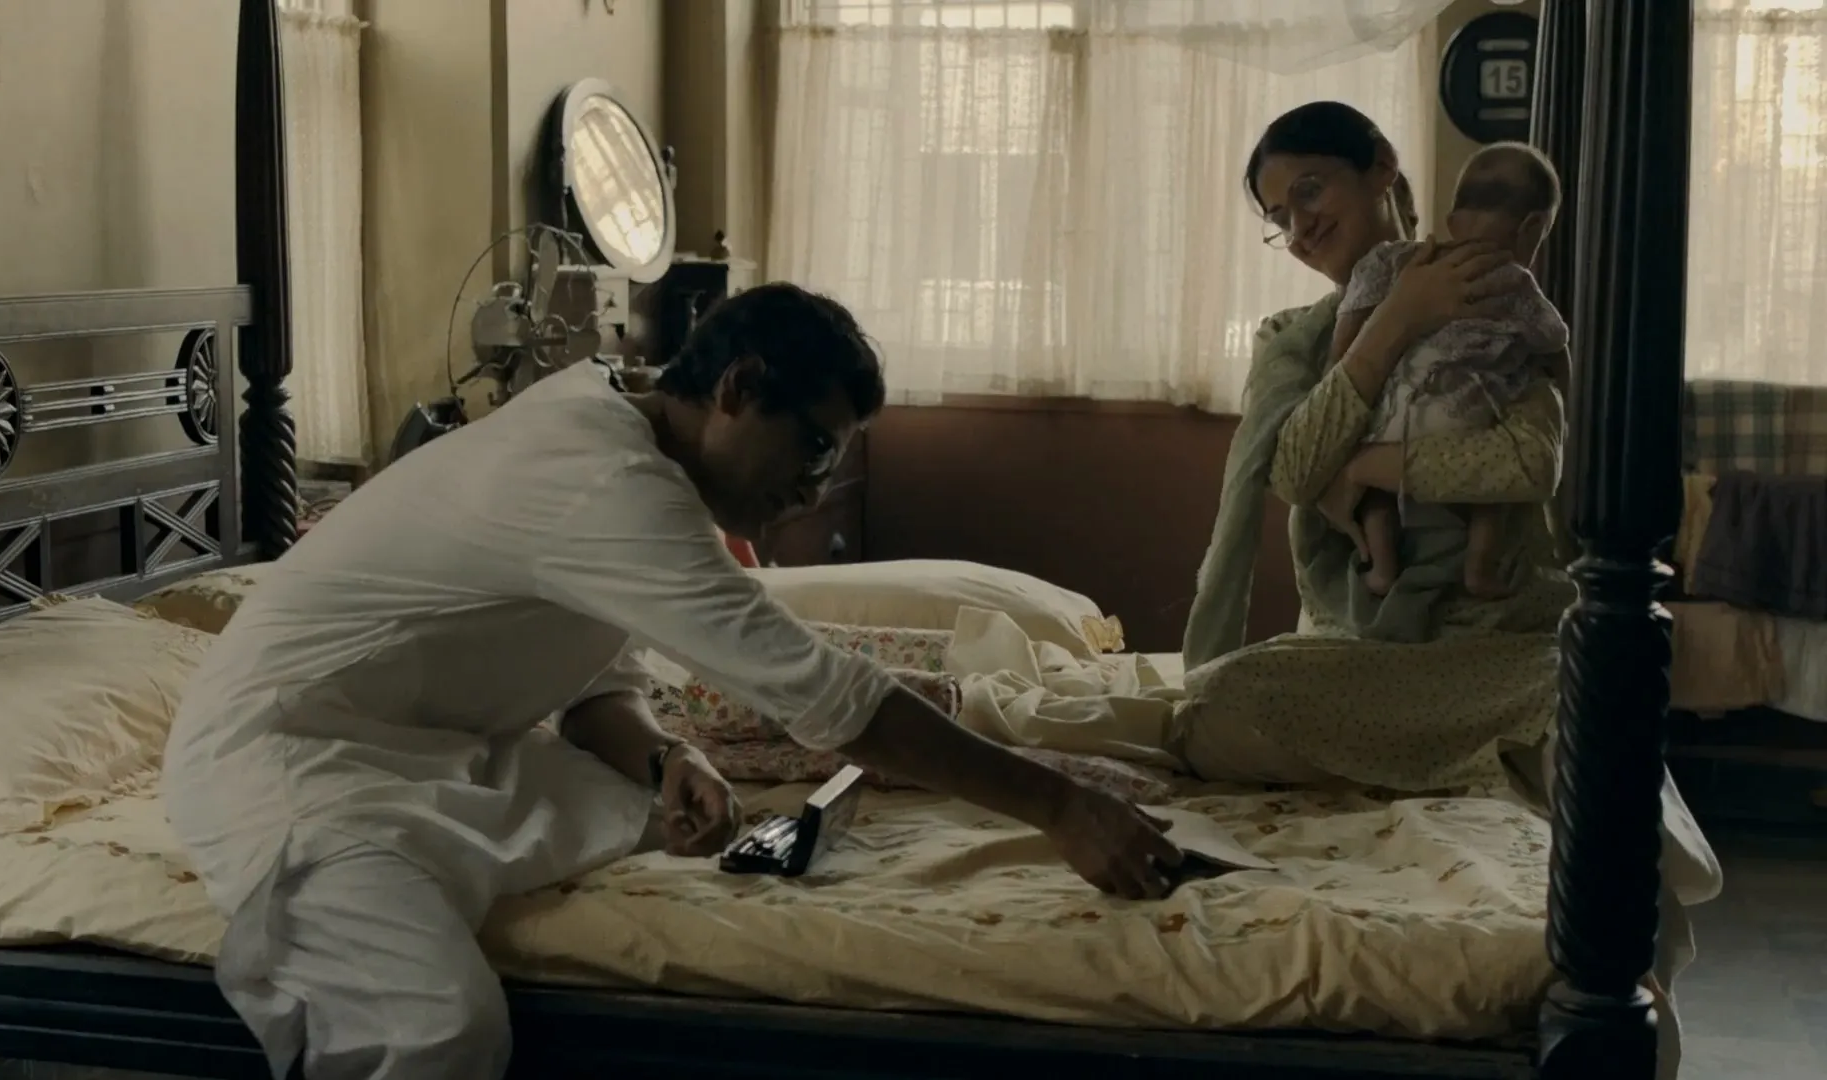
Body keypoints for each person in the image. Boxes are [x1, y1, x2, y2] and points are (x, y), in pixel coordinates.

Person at [162, 282, 1184, 1080]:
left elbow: (595, 682)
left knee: (649, 821)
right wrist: (1061, 807)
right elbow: (827, 696)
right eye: (813, 447)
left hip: (431, 757)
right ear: (737, 388)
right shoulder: (604, 477)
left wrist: (665, 757)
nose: (815, 487)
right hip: (291, 767)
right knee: (436, 1028)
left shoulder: (624, 453)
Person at [1176, 101, 1719, 1079]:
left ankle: (1477, 743)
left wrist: (1368, 465)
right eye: (1278, 216)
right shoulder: (1294, 339)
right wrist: (1393, 326)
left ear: (1382, 168)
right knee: (1218, 702)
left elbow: (1524, 464)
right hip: (1367, 655)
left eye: (1311, 190)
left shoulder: (1494, 292)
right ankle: (1471, 750)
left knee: (1590, 706)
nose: (1299, 227)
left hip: (1503, 640)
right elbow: (1291, 472)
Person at [1321, 142, 1571, 599]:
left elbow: (1343, 352)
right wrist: (1565, 400)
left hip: (1394, 417)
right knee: (1494, 496)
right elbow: (1555, 345)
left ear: (1453, 221)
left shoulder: (1397, 262)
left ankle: (1382, 565)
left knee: (1375, 493)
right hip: (1467, 415)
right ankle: (1479, 567)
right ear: (1532, 228)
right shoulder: (1517, 284)